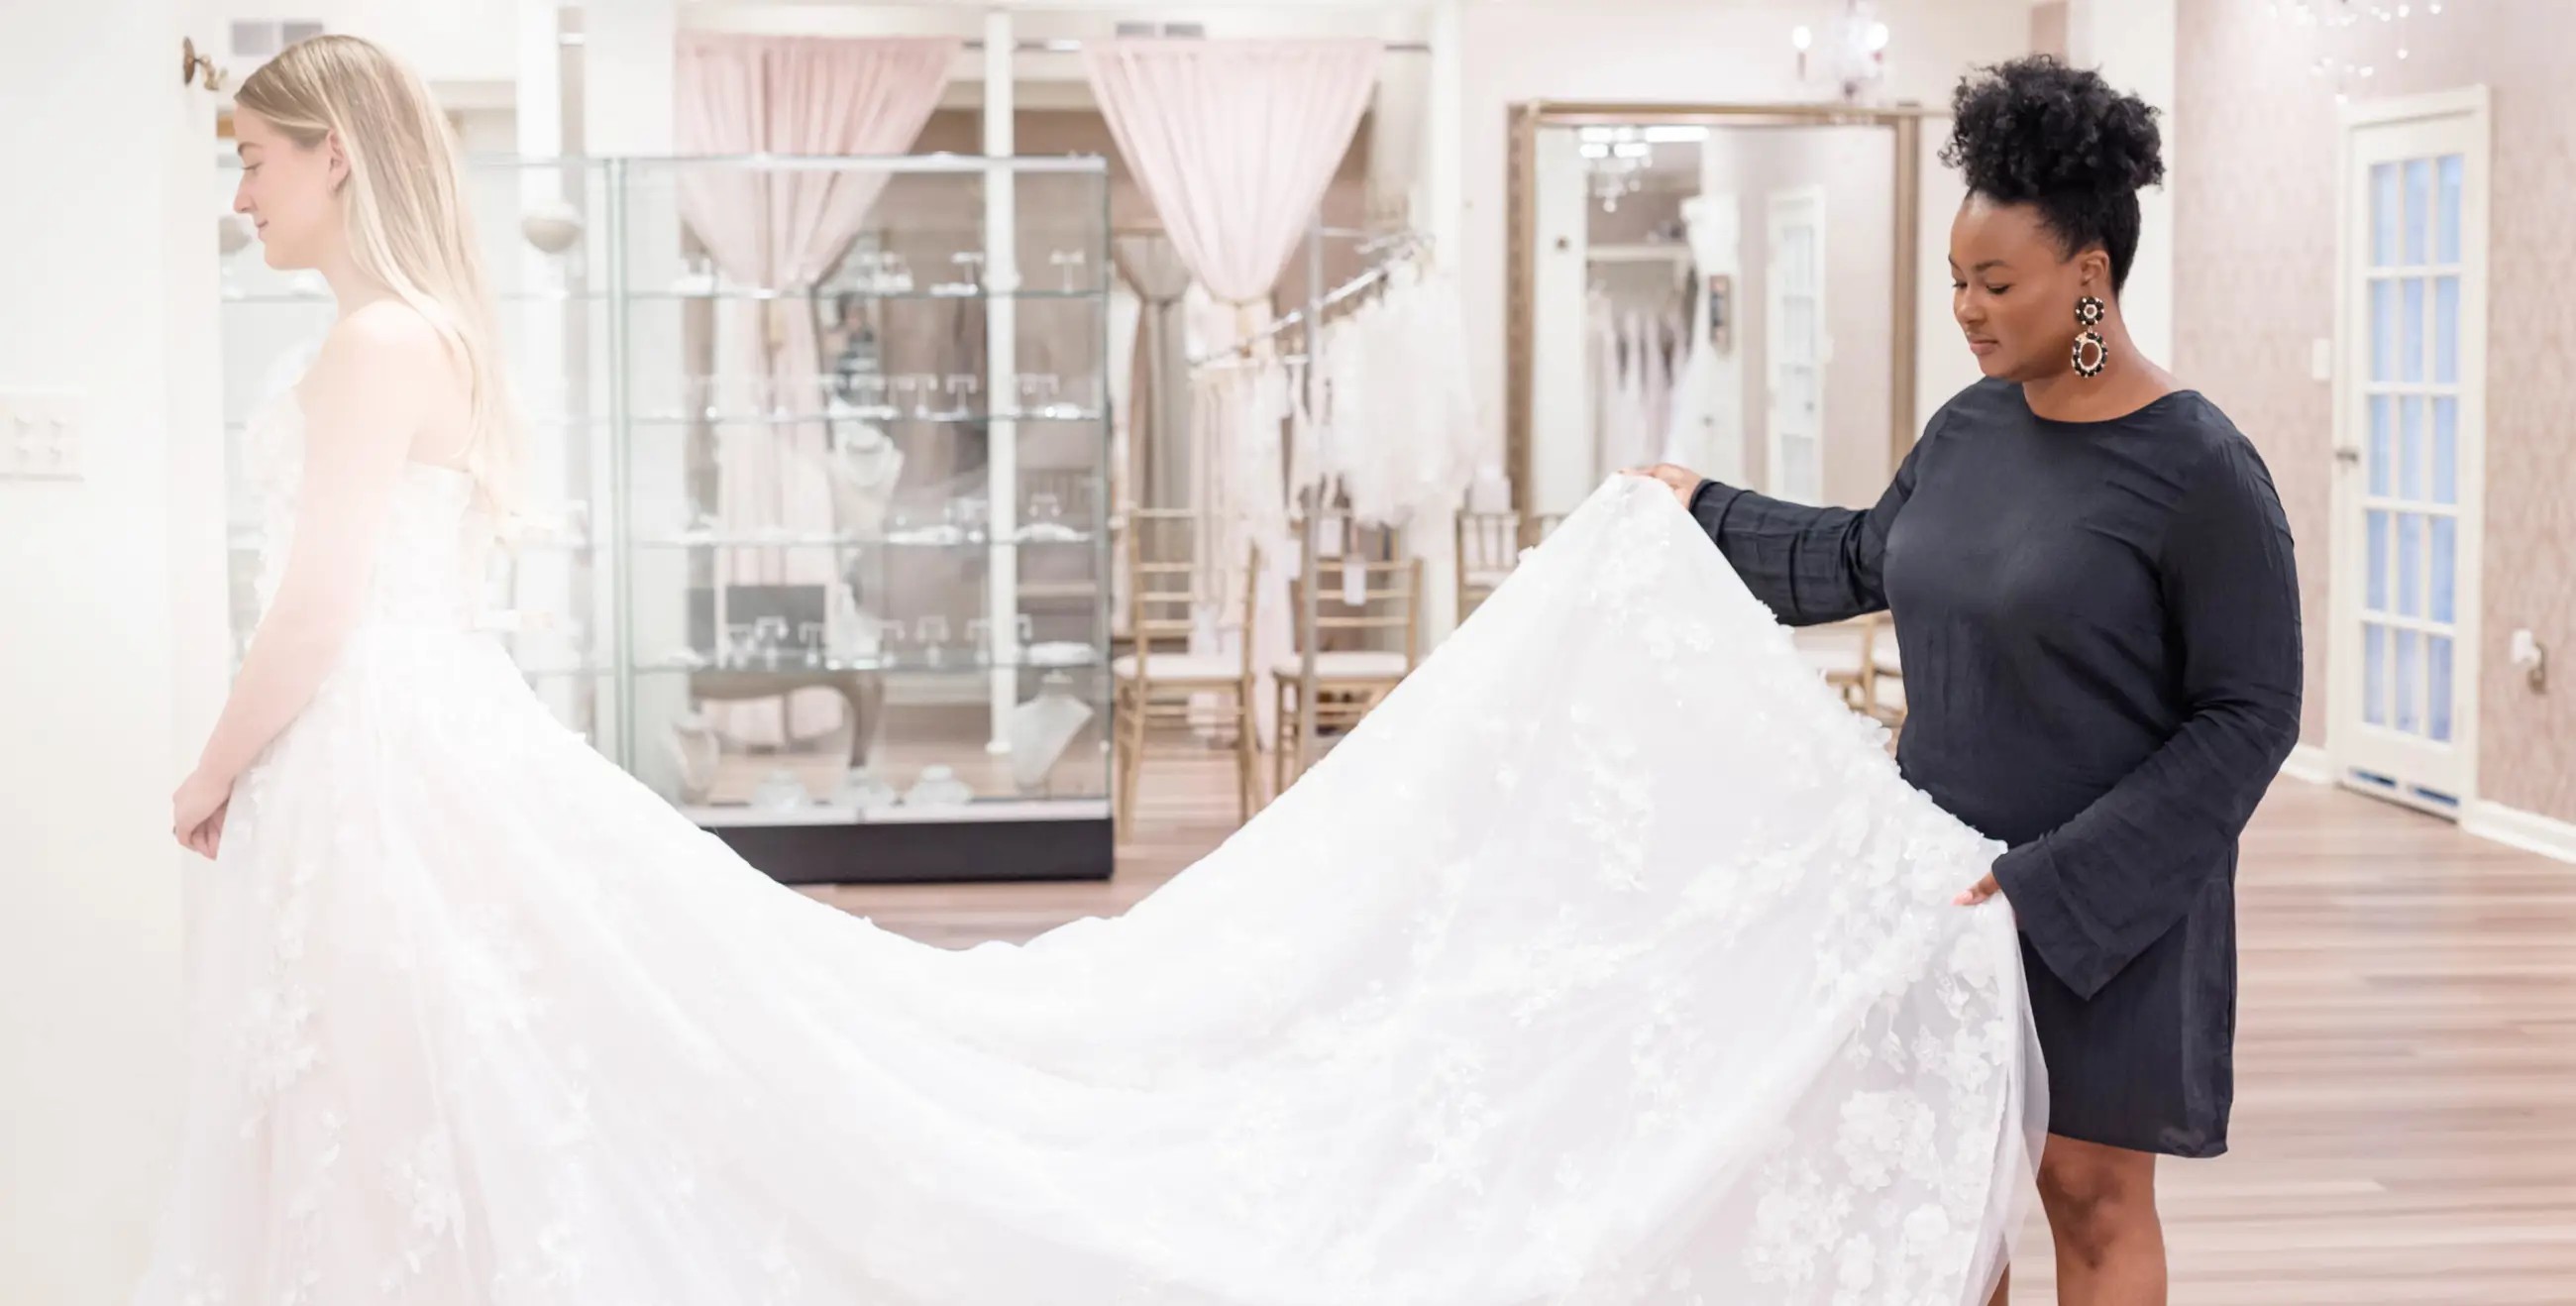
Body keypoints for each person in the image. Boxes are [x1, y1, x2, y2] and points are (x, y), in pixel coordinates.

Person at [145, 34, 2048, 1306]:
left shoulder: (375, 342)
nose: (238, 193)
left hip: (382, 751)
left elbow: (313, 608)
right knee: (463, 1065)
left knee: (455, 1067)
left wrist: (211, 768)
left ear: (327, 157)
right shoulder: (421, 335)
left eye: (249, 158)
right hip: (419, 749)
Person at [1630, 55, 2303, 1305]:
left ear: (2088, 275)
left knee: (2088, 1197)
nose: (1966, 308)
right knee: (1944, 1193)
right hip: (1940, 885)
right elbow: (1858, 558)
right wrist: (1698, 510)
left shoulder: (2199, 467)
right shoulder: (1967, 429)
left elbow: (2250, 713)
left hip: (2107, 903)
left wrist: (2050, 882)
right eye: (1955, 279)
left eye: (1995, 282)